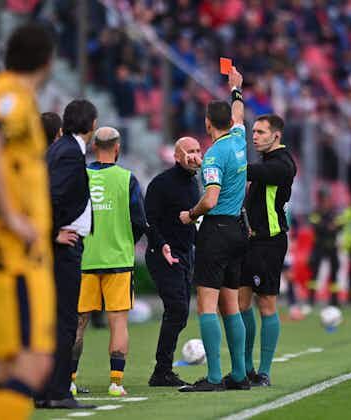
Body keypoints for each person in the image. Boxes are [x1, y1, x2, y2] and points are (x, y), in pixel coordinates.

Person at [0, 23, 57, 420]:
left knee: (10, 364)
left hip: (9, 254)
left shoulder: (3, 95)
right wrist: (12, 217)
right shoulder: (10, 97)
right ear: (47, 61)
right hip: (12, 255)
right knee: (33, 360)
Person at [178, 67, 249, 392]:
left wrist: (190, 215)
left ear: (208, 124)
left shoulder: (213, 156)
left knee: (207, 305)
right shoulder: (239, 140)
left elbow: (210, 199)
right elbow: (239, 114)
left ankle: (214, 377)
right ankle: (239, 375)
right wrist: (236, 89)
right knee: (230, 305)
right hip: (237, 229)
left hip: (217, 230)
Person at [75, 126, 147, 397]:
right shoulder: (127, 179)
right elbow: (139, 221)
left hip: (84, 259)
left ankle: (69, 381)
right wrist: (124, 241)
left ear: (94, 147)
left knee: (78, 322)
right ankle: (116, 383)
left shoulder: (79, 176)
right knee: (118, 322)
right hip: (118, 260)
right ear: (117, 148)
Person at [38, 99, 97, 410]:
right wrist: (53, 233)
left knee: (52, 319)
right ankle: (58, 391)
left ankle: (44, 390)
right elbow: (49, 197)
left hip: (59, 245)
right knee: (64, 320)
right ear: (91, 124)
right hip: (63, 248)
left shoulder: (60, 149)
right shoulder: (70, 152)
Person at [238, 114, 297, 387]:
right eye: (253, 132)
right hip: (249, 243)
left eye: (261, 132)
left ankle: (264, 372)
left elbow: (252, 172)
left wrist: (223, 162)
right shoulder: (267, 162)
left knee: (266, 305)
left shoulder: (283, 164)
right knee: (240, 304)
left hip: (269, 243)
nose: (255, 136)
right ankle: (246, 368)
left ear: (276, 135)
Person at [146, 136, 201, 387]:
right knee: (177, 309)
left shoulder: (194, 183)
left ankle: (163, 370)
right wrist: (161, 244)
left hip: (185, 254)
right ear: (177, 156)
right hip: (164, 255)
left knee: (180, 313)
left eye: (198, 150)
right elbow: (148, 220)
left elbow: (191, 223)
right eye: (189, 151)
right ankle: (162, 371)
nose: (195, 155)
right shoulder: (161, 184)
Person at [307, 189, 341, 307]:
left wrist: (328, 227)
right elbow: (315, 225)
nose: (326, 202)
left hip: (332, 246)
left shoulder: (333, 212)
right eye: (324, 199)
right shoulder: (316, 212)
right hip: (319, 246)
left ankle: (334, 300)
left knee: (334, 272)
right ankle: (311, 299)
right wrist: (328, 227)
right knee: (314, 272)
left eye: (327, 199)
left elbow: (339, 225)